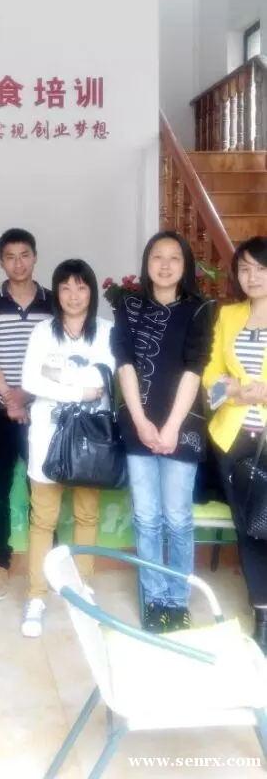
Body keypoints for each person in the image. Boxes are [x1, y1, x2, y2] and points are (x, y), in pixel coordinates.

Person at [112, 231, 214, 633]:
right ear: (147, 262)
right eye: (158, 256)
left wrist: (170, 427)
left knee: (177, 519)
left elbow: (195, 368)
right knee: (147, 518)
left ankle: (177, 600)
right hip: (138, 422)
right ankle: (154, 598)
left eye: (175, 258)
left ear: (185, 265)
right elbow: (124, 363)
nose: (166, 265)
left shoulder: (199, 309)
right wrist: (140, 422)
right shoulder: (129, 304)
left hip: (182, 428)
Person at [21, 259, 114, 638]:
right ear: (56, 293)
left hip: (91, 437)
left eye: (81, 287)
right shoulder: (43, 332)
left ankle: (83, 588)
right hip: (48, 435)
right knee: (43, 520)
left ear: (91, 291)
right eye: (65, 288)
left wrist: (57, 376)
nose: (74, 296)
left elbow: (105, 381)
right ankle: (36, 596)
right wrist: (79, 388)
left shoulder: (106, 332)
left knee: (87, 516)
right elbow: (30, 380)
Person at [0, 228, 53, 600]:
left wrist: (26, 396)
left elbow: (56, 358)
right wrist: (10, 397)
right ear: (1, 262)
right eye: (10, 256)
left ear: (35, 256)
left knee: (44, 490)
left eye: (24, 255)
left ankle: (49, 563)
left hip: (43, 413)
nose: (18, 263)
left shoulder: (53, 302)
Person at [203, 236, 267, 653]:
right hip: (234, 439)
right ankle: (262, 614)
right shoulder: (228, 316)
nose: (252, 276)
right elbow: (210, 376)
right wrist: (232, 391)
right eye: (244, 269)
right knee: (251, 528)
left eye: (261, 268)